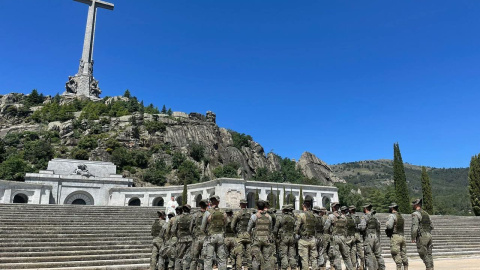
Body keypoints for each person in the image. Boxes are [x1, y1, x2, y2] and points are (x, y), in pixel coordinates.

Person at [201, 195, 227, 270]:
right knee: (221, 258)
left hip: (211, 236)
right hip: (221, 236)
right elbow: (226, 223)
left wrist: (206, 233)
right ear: (218, 202)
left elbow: (202, 227)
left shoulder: (208, 212)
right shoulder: (223, 212)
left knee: (208, 258)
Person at [324, 203, 353, 270]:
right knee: (346, 256)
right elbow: (346, 227)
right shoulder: (343, 217)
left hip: (335, 238)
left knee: (336, 256)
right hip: (343, 237)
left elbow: (326, 228)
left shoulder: (331, 216)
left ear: (333, 208)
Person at [248, 200, 275, 270]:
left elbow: (249, 229)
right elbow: (270, 229)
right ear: (264, 207)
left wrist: (251, 235)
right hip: (266, 239)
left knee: (256, 258)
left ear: (257, 207)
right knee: (267, 259)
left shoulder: (254, 216)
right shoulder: (269, 217)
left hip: (257, 240)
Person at [359, 203, 385, 270]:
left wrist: (358, 227)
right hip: (376, 236)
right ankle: (382, 268)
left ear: (365, 209)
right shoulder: (375, 217)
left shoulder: (364, 217)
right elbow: (379, 227)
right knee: (378, 255)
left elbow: (363, 227)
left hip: (368, 237)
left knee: (369, 255)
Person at [411, 198, 434, 270]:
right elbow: (432, 226)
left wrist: (413, 237)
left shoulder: (416, 214)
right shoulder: (426, 214)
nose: (412, 205)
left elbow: (415, 227)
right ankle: (431, 267)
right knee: (429, 254)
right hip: (429, 235)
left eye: (414, 204)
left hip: (422, 236)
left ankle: (428, 267)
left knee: (422, 252)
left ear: (417, 205)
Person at [295, 200, 318, 270]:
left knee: (304, 259)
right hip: (312, 239)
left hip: (303, 240)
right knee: (314, 258)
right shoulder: (313, 216)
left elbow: (297, 227)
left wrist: (296, 234)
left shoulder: (301, 215)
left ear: (303, 206)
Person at [385, 203, 408, 270]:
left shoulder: (392, 216)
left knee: (395, 253)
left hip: (395, 237)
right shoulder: (401, 216)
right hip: (402, 236)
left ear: (392, 208)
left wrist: (386, 223)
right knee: (403, 254)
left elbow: (389, 226)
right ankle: (406, 268)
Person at [231, 199, 252, 270]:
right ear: (246, 204)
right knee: (249, 253)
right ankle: (250, 267)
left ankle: (239, 268)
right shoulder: (250, 213)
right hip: (248, 235)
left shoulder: (237, 213)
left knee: (239, 253)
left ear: (240, 204)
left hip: (240, 235)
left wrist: (235, 232)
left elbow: (232, 226)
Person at [274, 204, 297, 270]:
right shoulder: (293, 218)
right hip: (292, 238)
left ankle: (284, 267)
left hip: (283, 238)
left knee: (283, 254)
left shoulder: (280, 217)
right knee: (292, 255)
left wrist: (276, 238)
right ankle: (293, 267)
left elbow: (275, 230)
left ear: (283, 210)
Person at [172, 204, 193, 270]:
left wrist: (176, 236)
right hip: (190, 239)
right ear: (189, 210)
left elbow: (173, 230)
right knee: (187, 257)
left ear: (183, 209)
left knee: (178, 257)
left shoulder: (178, 218)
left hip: (181, 239)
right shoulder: (192, 217)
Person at [189, 199, 208, 270]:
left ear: (200, 205)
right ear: (206, 205)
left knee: (194, 258)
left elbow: (190, 227)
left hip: (196, 238)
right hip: (205, 239)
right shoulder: (209, 215)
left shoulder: (195, 215)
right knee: (203, 259)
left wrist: (193, 235)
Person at [349, 205, 365, 270]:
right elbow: (362, 227)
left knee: (353, 250)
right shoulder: (358, 217)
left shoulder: (349, 217)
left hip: (352, 235)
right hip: (358, 234)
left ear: (350, 210)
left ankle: (354, 266)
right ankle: (362, 264)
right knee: (360, 250)